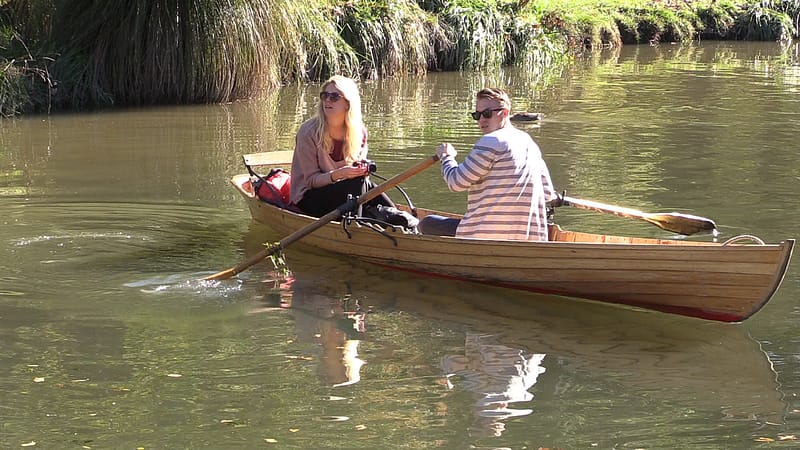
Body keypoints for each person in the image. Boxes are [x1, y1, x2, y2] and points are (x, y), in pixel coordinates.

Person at [420, 87, 557, 240]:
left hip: (485, 236)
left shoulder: (491, 141)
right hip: (530, 240)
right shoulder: (529, 142)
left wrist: (446, 157)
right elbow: (548, 193)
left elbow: (455, 182)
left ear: (505, 113)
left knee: (426, 223)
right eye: (477, 115)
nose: (481, 120)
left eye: (487, 114)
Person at [289, 75, 417, 228]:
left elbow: (358, 178)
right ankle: (360, 225)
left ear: (348, 104)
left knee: (365, 183)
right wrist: (339, 174)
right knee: (357, 183)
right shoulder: (308, 132)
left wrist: (360, 170)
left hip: (347, 195)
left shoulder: (359, 132)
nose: (327, 100)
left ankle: (401, 220)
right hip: (308, 198)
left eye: (334, 97)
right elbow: (311, 182)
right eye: (324, 96)